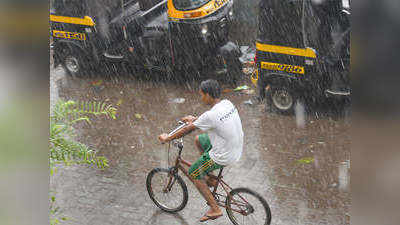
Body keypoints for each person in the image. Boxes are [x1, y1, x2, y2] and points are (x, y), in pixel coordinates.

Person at [158, 79, 244, 222]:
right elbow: (210, 121)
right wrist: (195, 119)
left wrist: (168, 138)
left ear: (209, 95)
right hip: (235, 146)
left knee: (194, 172)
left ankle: (215, 208)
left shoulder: (210, 115)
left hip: (224, 154)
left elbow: (187, 129)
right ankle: (210, 176)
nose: (201, 98)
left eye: (202, 95)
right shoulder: (227, 103)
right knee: (199, 140)